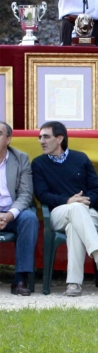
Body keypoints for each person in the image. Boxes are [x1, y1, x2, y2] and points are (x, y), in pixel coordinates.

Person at [31, 121, 98, 297]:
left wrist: (86, 201)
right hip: (58, 212)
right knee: (75, 209)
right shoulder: (38, 163)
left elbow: (96, 189)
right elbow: (42, 194)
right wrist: (67, 200)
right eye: (40, 137)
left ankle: (73, 284)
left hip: (87, 211)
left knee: (74, 226)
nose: (41, 141)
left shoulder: (81, 159)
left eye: (46, 136)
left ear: (60, 138)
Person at [0, 122, 39, 296]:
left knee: (29, 218)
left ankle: (20, 278)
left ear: (8, 139)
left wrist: (9, 215)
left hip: (12, 212)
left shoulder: (20, 158)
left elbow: (25, 194)